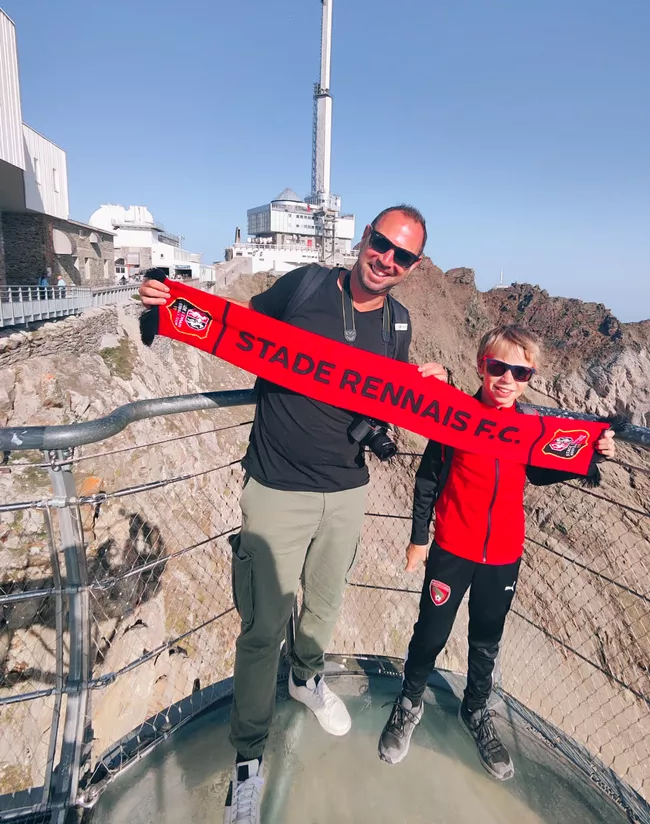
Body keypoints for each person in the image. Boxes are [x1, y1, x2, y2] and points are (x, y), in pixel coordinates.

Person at [139, 205, 448, 824]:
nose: (386, 259)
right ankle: (248, 763)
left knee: (325, 604)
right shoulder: (304, 286)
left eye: (402, 255)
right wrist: (166, 305)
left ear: (412, 269)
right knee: (261, 631)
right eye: (381, 243)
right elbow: (235, 328)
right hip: (277, 486)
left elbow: (383, 394)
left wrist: (420, 379)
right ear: (364, 238)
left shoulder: (399, 323)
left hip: (347, 489)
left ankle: (307, 678)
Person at [378, 324, 616, 779]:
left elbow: (540, 472)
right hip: (452, 547)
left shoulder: (528, 427)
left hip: (504, 553)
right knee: (431, 630)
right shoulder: (457, 416)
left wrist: (592, 456)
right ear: (480, 367)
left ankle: (476, 711)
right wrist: (418, 536)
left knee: (486, 639)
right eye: (497, 367)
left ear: (532, 375)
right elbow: (428, 477)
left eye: (519, 372)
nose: (507, 379)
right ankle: (409, 703)